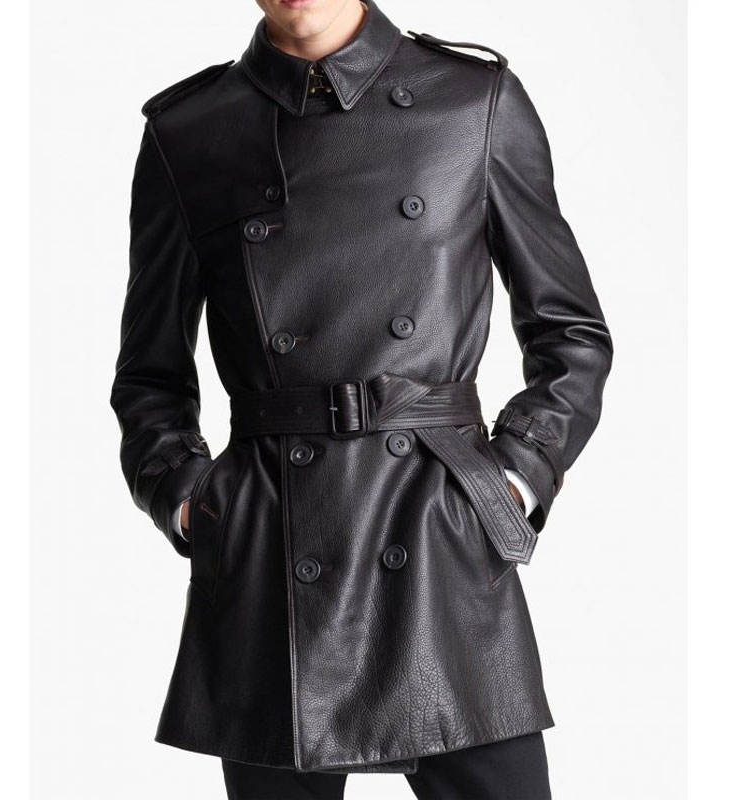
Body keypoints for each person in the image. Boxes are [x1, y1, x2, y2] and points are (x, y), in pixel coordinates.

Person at [110, 1, 613, 797]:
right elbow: (150, 374)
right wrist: (190, 503)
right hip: (274, 549)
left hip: (437, 538)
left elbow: (571, 335)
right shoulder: (191, 129)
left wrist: (510, 482)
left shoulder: (473, 101)